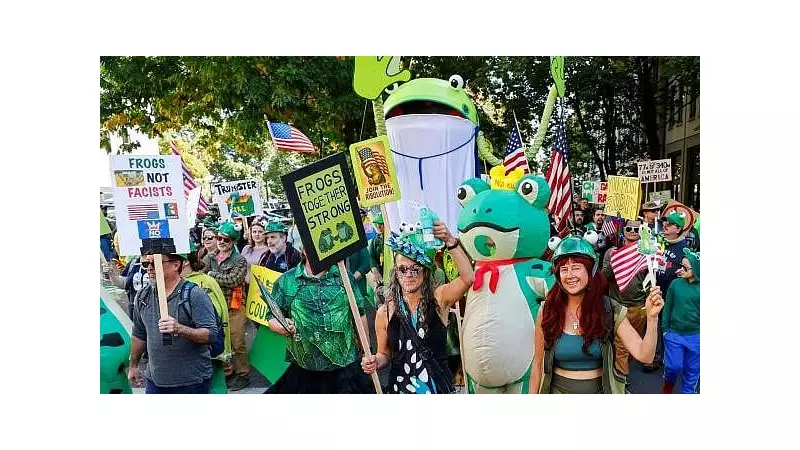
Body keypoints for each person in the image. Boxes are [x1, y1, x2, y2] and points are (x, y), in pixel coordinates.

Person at [531, 235, 664, 394]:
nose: (570, 275)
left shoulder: (609, 309)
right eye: (564, 269)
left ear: (591, 270)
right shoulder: (547, 310)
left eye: (577, 267)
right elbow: (538, 364)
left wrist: (652, 318)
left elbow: (645, 356)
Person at [360, 220, 474, 394]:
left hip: (437, 389)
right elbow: (384, 354)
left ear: (426, 271)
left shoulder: (438, 300)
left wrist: (450, 241)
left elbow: (468, 278)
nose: (409, 275)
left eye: (416, 269)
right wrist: (375, 361)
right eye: (403, 269)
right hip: (400, 390)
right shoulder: (385, 312)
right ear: (395, 272)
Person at [263, 248, 374, 394]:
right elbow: (271, 316)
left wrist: (366, 351)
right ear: (304, 249)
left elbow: (359, 314)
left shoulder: (345, 278)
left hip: (345, 368)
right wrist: (281, 326)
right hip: (304, 370)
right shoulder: (287, 281)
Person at [128, 251, 219, 394]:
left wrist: (180, 328)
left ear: (176, 265)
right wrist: (133, 365)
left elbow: (211, 335)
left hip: (191, 382)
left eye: (155, 263)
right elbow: (139, 334)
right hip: (155, 381)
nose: (149, 268)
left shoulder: (194, 294)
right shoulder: (143, 296)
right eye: (146, 263)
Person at [203, 221, 250, 391]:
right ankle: (228, 372)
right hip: (216, 307)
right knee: (221, 341)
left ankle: (243, 374)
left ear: (233, 242)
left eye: (226, 239)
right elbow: (200, 271)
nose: (221, 241)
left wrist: (211, 275)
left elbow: (233, 280)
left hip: (235, 306)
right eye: (219, 238)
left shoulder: (240, 260)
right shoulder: (210, 256)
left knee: (237, 342)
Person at [181, 241, 233, 394]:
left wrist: (225, 350)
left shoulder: (207, 281)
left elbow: (221, 314)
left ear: (184, 262)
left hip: (209, 347)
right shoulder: (170, 284)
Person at [602, 220, 650, 380]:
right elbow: (603, 278)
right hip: (619, 306)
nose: (632, 231)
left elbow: (650, 281)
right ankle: (621, 379)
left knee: (633, 344)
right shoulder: (612, 252)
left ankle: (621, 370)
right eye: (629, 228)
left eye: (636, 229)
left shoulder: (646, 253)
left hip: (639, 307)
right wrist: (614, 260)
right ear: (623, 231)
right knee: (621, 346)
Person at [647, 211, 690, 373]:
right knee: (655, 324)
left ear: (678, 229)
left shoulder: (685, 250)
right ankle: (654, 357)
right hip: (657, 290)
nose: (664, 226)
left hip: (674, 295)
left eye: (669, 224)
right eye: (664, 223)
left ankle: (673, 359)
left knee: (671, 327)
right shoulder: (659, 243)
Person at [661, 248, 700, 394]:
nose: (681, 269)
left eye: (685, 267)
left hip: (697, 336)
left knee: (692, 372)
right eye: (681, 266)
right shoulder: (675, 284)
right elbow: (668, 307)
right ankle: (668, 384)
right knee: (673, 367)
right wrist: (665, 330)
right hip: (674, 335)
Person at [241, 218, 271, 286]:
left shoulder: (269, 250)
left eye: (260, 232)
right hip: (245, 286)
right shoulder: (246, 248)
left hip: (261, 287)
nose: (257, 234)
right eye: (254, 232)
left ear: (265, 233)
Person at [366, 213, 386, 304]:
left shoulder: (393, 239)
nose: (379, 227)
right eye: (378, 224)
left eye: (381, 224)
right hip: (380, 276)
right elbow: (371, 256)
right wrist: (374, 269)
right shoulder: (376, 240)